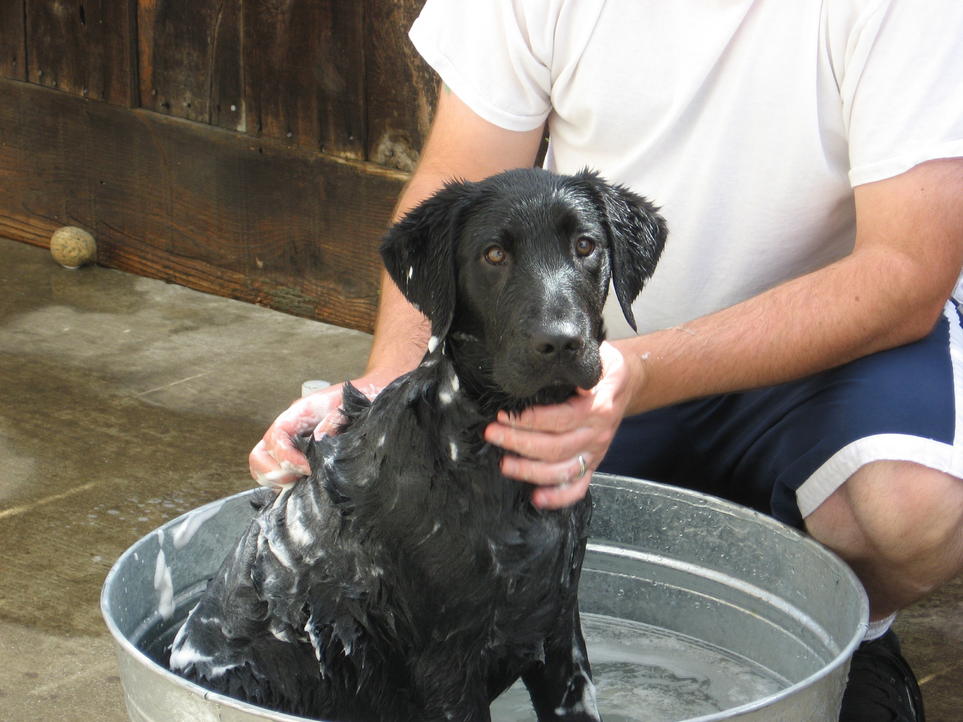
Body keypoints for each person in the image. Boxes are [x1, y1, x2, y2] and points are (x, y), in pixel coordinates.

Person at [250, 2, 963, 719]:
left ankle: (849, 632)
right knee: (448, 545)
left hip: (819, 360)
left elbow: (906, 271)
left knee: (907, 505)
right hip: (574, 356)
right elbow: (458, 184)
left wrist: (643, 371)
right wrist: (386, 387)